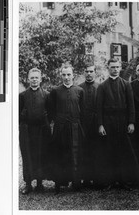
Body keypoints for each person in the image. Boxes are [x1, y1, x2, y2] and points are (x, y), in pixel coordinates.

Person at [96, 58, 139, 190]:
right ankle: (108, 181)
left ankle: (125, 181)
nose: (115, 69)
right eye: (112, 67)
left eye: (117, 67)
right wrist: (100, 124)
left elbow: (131, 105)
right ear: (108, 68)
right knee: (108, 152)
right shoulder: (102, 86)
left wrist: (131, 122)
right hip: (108, 122)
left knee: (124, 152)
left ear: (120, 67)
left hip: (123, 122)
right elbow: (98, 107)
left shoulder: (126, 84)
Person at [49, 62, 85, 193]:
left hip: (75, 127)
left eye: (69, 74)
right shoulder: (55, 91)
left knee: (75, 155)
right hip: (61, 128)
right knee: (60, 155)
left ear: (73, 75)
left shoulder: (79, 91)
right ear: (61, 75)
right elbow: (51, 110)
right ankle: (59, 184)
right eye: (64, 75)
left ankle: (76, 183)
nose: (66, 77)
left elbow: (82, 110)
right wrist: (58, 121)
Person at [19, 68, 51, 194]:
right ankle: (28, 184)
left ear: (40, 79)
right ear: (28, 79)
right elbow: (18, 114)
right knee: (27, 156)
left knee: (40, 155)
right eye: (32, 77)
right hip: (27, 131)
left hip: (42, 130)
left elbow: (51, 113)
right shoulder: (22, 96)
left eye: (36, 77)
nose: (34, 80)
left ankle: (39, 183)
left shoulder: (46, 95)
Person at [78, 64, 99, 188]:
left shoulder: (100, 87)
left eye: (91, 71)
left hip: (96, 124)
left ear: (95, 73)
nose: (89, 73)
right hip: (83, 124)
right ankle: (85, 178)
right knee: (84, 151)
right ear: (84, 73)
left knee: (96, 151)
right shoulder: (79, 88)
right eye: (87, 71)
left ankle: (96, 178)